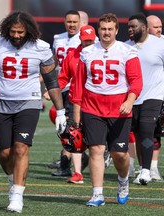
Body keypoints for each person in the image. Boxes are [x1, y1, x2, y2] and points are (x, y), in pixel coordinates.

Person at [0, 11, 66, 213]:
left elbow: (52, 82)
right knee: (4, 152)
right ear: (6, 30)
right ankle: (13, 180)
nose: (17, 35)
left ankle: (17, 195)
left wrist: (60, 110)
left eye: (20, 32)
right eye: (13, 31)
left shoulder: (41, 48)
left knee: (20, 148)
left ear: (29, 30)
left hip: (29, 102)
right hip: (2, 102)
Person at [72, 13, 142, 206]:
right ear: (98, 29)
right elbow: (78, 85)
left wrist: (130, 100)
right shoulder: (87, 52)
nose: (106, 32)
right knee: (96, 149)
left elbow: (136, 81)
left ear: (116, 30)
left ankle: (123, 180)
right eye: (103, 28)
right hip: (92, 107)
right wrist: (76, 114)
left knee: (118, 154)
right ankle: (97, 194)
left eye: (110, 29)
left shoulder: (127, 51)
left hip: (119, 108)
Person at [126, 13, 164, 185]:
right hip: (133, 98)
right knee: (138, 134)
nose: (130, 30)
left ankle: (147, 171)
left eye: (133, 26)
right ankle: (143, 168)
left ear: (143, 28)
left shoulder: (160, 44)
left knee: (147, 130)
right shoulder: (125, 47)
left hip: (154, 95)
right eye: (128, 27)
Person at [57, 25, 96, 184]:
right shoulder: (72, 55)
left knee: (97, 138)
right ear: (80, 39)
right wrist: (53, 90)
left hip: (97, 100)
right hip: (76, 100)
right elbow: (63, 77)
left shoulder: (101, 53)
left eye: (90, 41)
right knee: (74, 134)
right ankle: (78, 173)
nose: (87, 43)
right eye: (85, 40)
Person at [48, 10, 83, 177]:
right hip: (61, 85)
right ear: (64, 22)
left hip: (75, 87)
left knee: (69, 125)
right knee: (62, 125)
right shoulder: (58, 38)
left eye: (75, 22)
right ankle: (78, 157)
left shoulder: (86, 39)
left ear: (80, 22)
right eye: (69, 21)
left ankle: (65, 164)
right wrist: (46, 82)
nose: (72, 25)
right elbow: (54, 61)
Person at [145, 14, 163, 181]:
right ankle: (134, 167)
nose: (159, 29)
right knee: (144, 133)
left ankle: (153, 168)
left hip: (160, 94)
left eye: (160, 26)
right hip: (144, 95)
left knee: (157, 131)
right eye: (155, 27)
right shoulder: (137, 44)